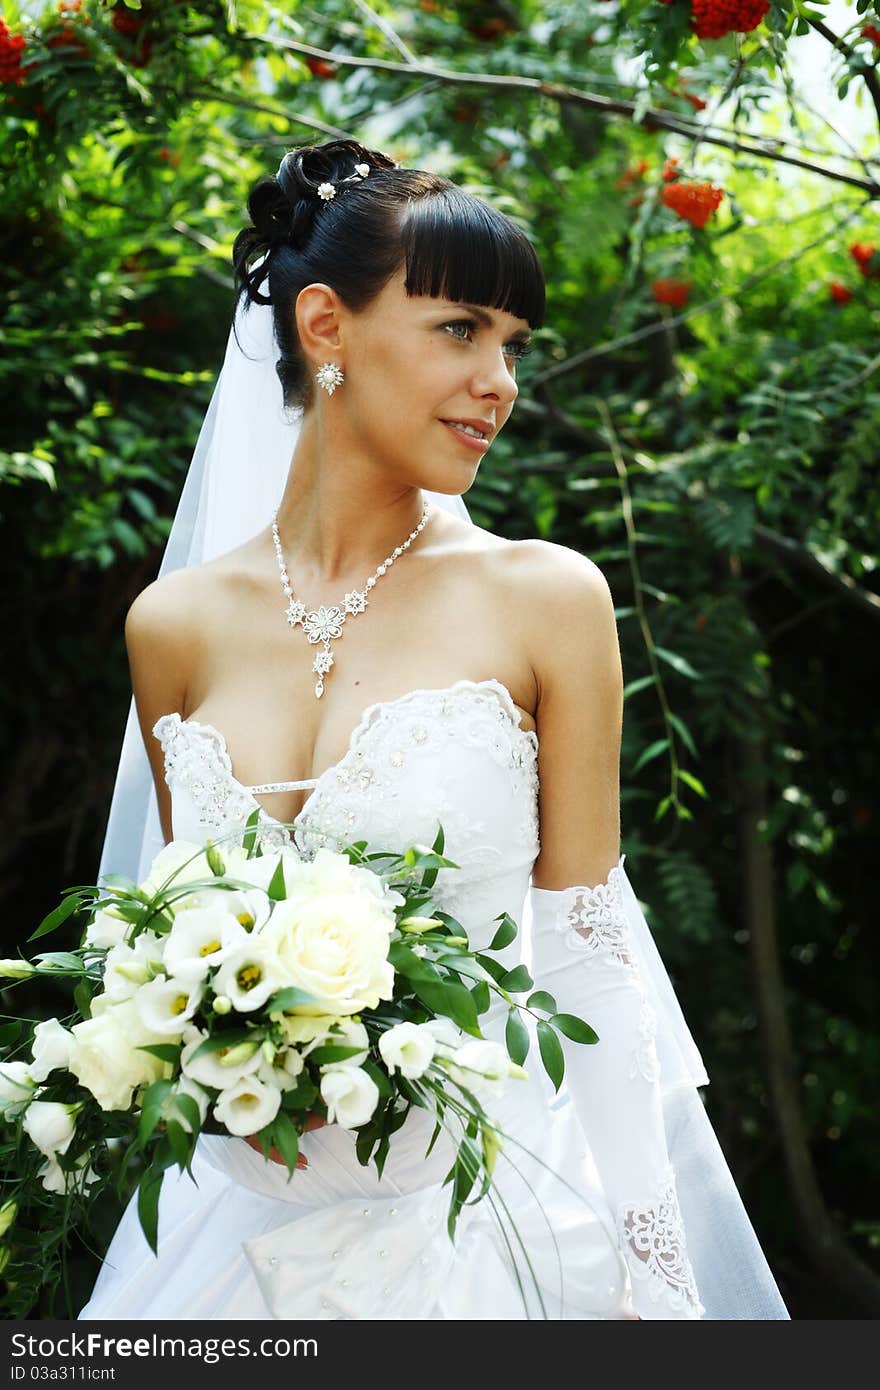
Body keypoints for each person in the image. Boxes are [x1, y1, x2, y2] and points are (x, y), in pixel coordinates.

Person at [79, 139, 789, 1321]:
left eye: (512, 346)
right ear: (326, 327)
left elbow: (587, 955)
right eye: (460, 329)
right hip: (237, 1249)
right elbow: (175, 937)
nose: (500, 380)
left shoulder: (545, 598)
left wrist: (654, 1270)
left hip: (491, 1227)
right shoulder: (172, 627)